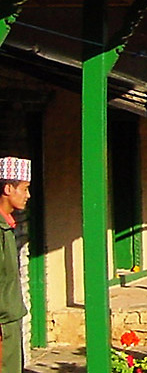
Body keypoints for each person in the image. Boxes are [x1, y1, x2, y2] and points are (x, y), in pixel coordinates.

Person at [0, 157, 32, 372]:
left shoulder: (8, 226)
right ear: (8, 188)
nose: (28, 195)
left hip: (10, 320)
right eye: (25, 189)